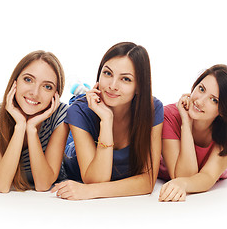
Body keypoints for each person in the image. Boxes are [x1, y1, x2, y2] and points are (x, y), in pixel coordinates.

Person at [51, 42, 164, 200]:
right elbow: (95, 180)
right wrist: (106, 120)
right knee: (78, 104)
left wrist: (89, 192)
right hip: (73, 151)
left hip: (100, 109)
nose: (112, 85)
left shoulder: (152, 109)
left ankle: (81, 89)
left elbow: (148, 181)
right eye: (107, 73)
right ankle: (79, 92)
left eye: (125, 79)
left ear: (139, 86)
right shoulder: (78, 112)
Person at [0, 50, 69, 193]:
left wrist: (31, 129)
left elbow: (43, 185)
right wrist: (20, 126)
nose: (35, 92)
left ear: (56, 94)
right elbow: (2, 185)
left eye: (47, 86)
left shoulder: (61, 115)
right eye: (28, 80)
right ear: (15, 81)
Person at [158, 64, 227, 202]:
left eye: (214, 100)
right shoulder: (169, 116)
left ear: (225, 110)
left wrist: (183, 184)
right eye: (201, 89)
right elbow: (183, 175)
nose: (200, 101)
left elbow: (207, 177)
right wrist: (186, 125)